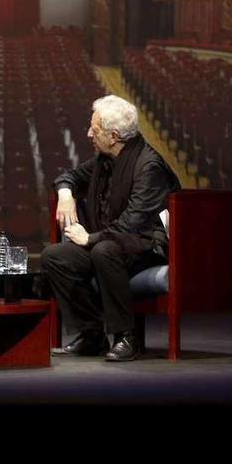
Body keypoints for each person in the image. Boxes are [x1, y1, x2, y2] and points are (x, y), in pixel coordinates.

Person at [40, 95, 180, 362]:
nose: (89, 133)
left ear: (113, 136)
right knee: (55, 256)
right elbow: (67, 176)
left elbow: (132, 225)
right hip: (108, 245)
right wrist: (66, 194)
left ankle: (126, 336)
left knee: (104, 251)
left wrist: (89, 237)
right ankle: (92, 333)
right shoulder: (104, 160)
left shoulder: (148, 167)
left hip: (145, 247)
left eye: (95, 128)